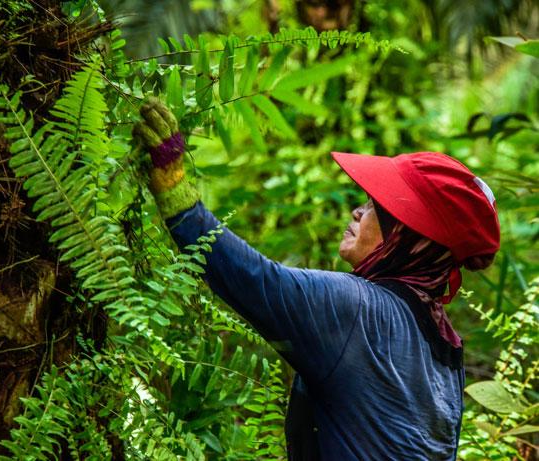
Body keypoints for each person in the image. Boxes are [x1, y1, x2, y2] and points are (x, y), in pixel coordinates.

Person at [134, 98, 500, 460]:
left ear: (409, 238)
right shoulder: (444, 343)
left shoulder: (359, 310)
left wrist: (176, 192)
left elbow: (257, 281)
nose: (358, 210)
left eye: (377, 206)